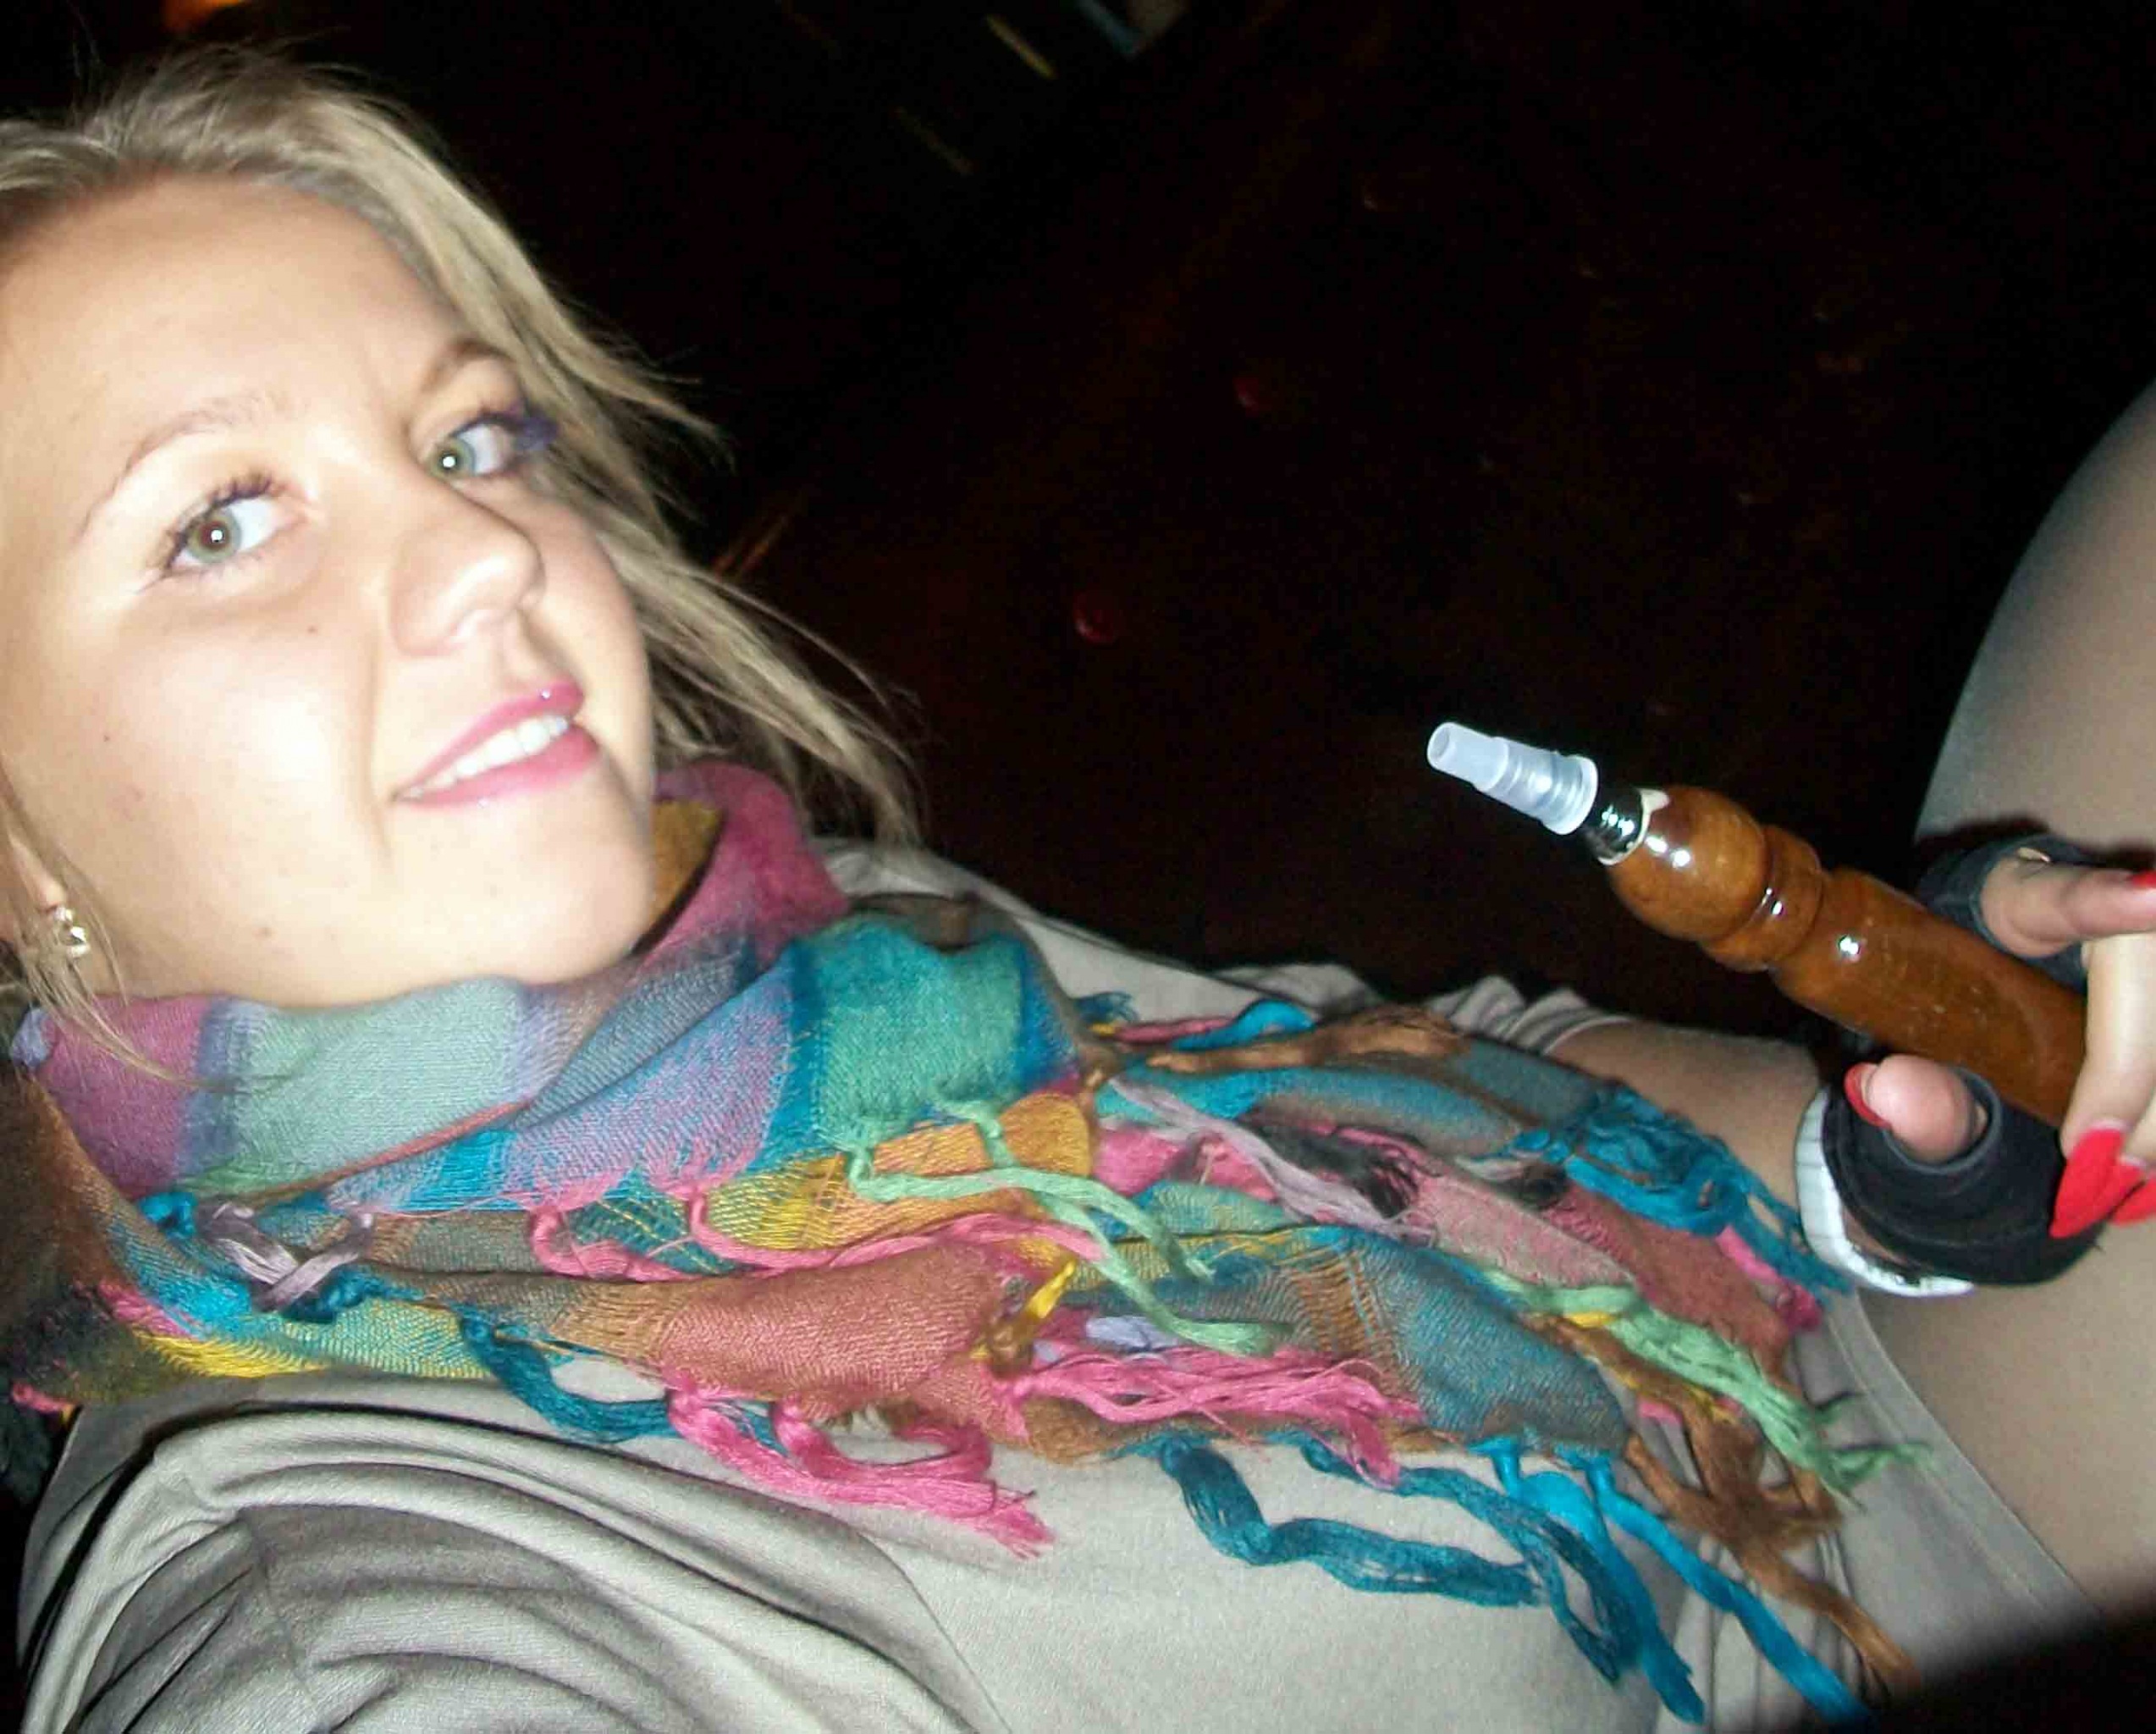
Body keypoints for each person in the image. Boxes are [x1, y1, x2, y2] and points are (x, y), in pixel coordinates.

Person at [0, 47, 2146, 1733]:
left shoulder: (817, 925)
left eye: (469, 441)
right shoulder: (315, 1594)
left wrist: (1887, 1153)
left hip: (1848, 1446)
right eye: (218, 523)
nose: (486, 553)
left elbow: (1442, 1066)